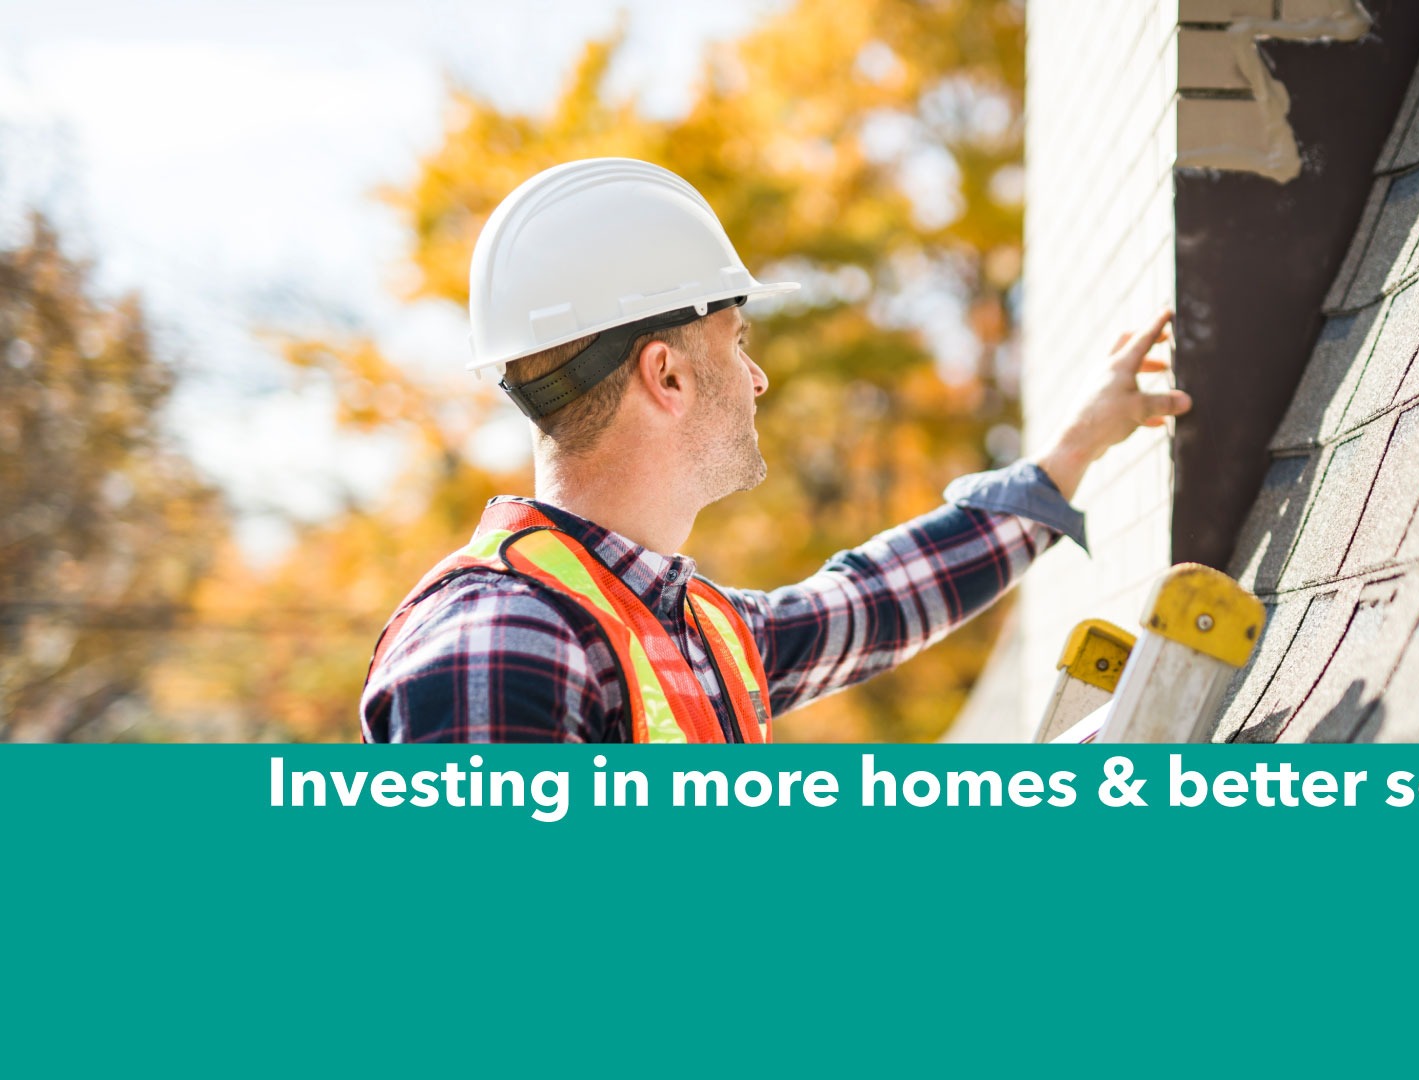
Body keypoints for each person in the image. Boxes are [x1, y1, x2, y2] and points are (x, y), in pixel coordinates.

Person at [361, 158, 1188, 742]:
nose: (757, 378)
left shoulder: (691, 629)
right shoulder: (502, 641)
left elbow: (866, 605)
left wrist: (1075, 449)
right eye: (738, 340)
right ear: (668, 375)